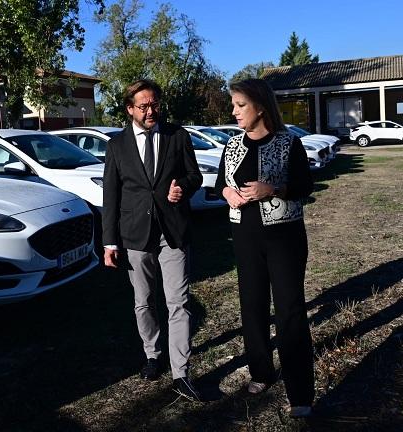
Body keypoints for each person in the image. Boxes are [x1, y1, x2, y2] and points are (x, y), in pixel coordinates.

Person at [214, 78, 315, 418]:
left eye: (240, 105)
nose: (234, 111)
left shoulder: (289, 143)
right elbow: (220, 184)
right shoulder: (231, 145)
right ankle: (261, 371)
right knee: (252, 306)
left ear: (260, 106)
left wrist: (272, 189)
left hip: (284, 236)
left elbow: (305, 185)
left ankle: (300, 393)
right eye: (234, 105)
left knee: (290, 311)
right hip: (244, 235)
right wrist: (227, 193)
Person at [102, 79, 203, 400]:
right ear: (130, 109)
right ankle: (152, 354)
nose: (151, 111)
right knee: (143, 302)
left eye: (155, 104)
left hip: (173, 232)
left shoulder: (177, 136)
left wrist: (183, 188)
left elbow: (194, 175)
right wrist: (109, 242)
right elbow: (111, 196)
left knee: (178, 302)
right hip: (135, 235)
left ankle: (181, 372)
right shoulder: (116, 146)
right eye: (143, 106)